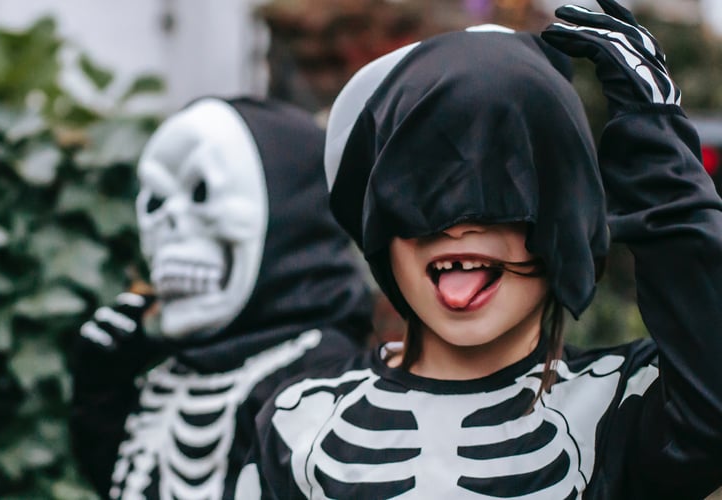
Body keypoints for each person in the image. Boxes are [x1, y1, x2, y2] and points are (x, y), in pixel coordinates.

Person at [236, 1, 722, 498]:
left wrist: (659, 147)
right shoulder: (298, 422)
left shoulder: (625, 407)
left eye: (508, 186)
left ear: (565, 216)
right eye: (420, 190)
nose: (460, 227)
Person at [68, 97, 374, 499]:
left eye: (200, 193)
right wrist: (102, 386)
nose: (170, 225)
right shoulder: (182, 368)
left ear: (287, 218)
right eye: (156, 202)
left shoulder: (319, 379)